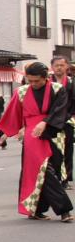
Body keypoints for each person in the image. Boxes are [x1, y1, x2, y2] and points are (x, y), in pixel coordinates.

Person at [0, 62, 73, 222]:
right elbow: (13, 114)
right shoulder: (22, 92)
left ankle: (36, 209)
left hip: (54, 133)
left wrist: (45, 122)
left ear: (46, 78)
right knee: (45, 172)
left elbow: (60, 110)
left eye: (36, 81)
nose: (33, 84)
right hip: (33, 136)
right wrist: (6, 133)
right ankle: (64, 210)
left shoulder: (57, 89)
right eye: (30, 80)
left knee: (49, 172)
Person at [51, 56, 74, 189]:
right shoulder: (48, 83)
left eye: (62, 65)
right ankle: (56, 176)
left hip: (68, 120)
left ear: (67, 67)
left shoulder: (71, 83)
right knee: (54, 150)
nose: (59, 67)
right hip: (52, 121)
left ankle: (66, 179)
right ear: (52, 68)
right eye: (56, 65)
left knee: (67, 149)